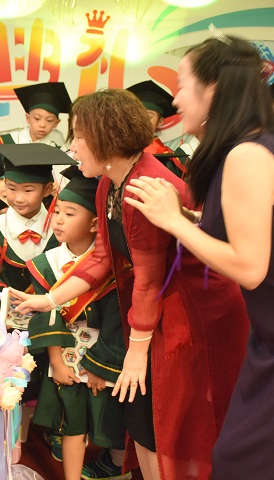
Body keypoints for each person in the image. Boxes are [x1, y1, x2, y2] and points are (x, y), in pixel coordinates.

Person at [11, 88, 249, 480]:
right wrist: (48, 300)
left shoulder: (144, 187)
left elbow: (148, 280)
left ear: (105, 139)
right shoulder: (111, 182)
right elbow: (103, 257)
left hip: (194, 318)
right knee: (144, 420)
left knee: (171, 424)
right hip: (156, 317)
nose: (72, 147)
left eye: (79, 136)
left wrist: (136, 355)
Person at [122, 36, 274, 480]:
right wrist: (188, 216)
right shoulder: (244, 149)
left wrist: (175, 221)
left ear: (214, 90)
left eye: (182, 85)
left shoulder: (247, 154)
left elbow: (250, 266)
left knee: (239, 462)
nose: (174, 99)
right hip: (265, 336)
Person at [26, 166, 129, 480]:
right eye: (56, 211)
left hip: (102, 356)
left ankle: (117, 466)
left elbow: (116, 320)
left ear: (95, 223)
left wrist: (101, 366)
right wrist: (56, 362)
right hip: (65, 356)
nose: (58, 220)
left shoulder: (112, 265)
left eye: (69, 214)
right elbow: (46, 316)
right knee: (71, 424)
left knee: (114, 420)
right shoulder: (46, 264)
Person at [0, 143, 75, 292]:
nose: (19, 198)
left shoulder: (61, 228)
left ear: (47, 189)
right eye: (11, 188)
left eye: (28, 190)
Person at [126, 80, 189, 178]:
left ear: (159, 122)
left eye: (149, 116)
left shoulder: (168, 161)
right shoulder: (117, 154)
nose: (141, 120)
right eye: (137, 114)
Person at [13, 82, 71, 147]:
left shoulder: (59, 145)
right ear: (28, 118)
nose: (42, 125)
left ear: (56, 123)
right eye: (37, 118)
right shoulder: (11, 140)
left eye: (49, 120)